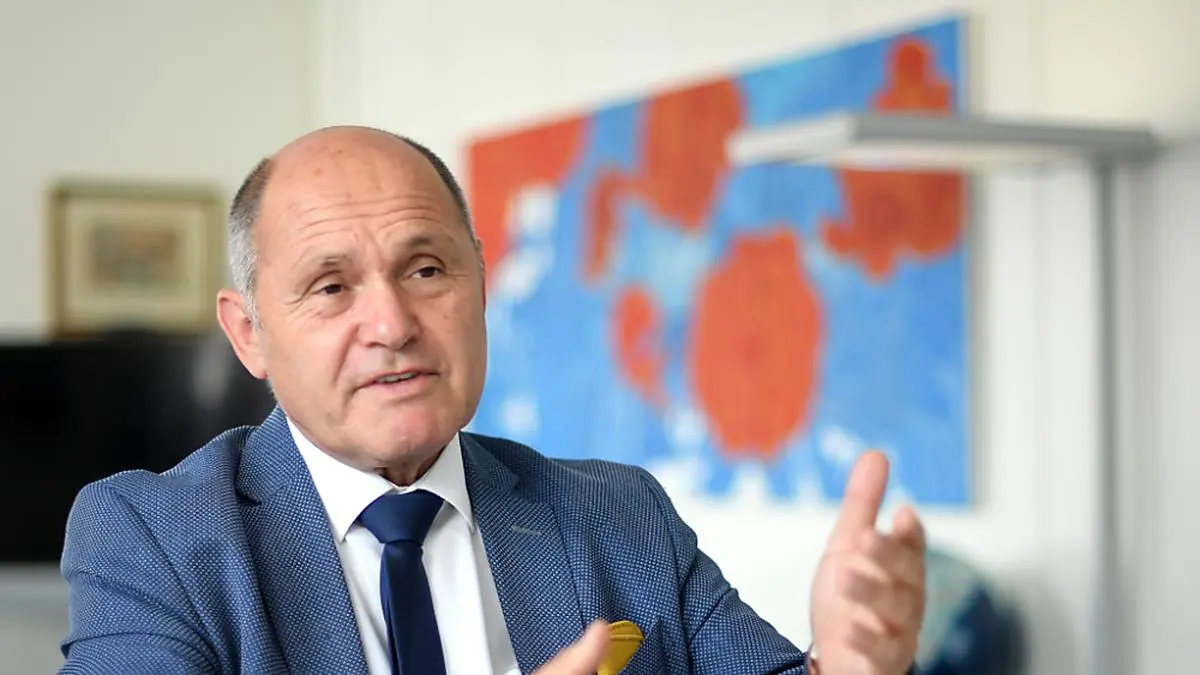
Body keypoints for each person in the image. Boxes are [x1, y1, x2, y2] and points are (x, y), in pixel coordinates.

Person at [58, 126, 927, 674]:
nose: (392, 324)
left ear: (478, 282)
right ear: (249, 333)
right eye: (331, 286)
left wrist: (846, 668)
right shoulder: (154, 535)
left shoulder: (619, 512)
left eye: (426, 269)